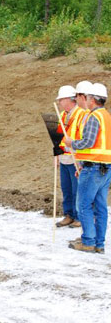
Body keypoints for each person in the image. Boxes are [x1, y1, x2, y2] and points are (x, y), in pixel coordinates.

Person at [64, 83, 111, 254]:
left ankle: (88, 241)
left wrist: (71, 143)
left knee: (83, 205)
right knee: (100, 207)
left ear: (92, 99)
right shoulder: (106, 116)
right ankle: (99, 243)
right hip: (105, 167)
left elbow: (88, 142)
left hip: (93, 168)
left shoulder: (94, 117)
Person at [55, 85, 86, 228]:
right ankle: (69, 214)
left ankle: (79, 216)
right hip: (64, 158)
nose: (60, 103)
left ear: (69, 99)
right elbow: (57, 139)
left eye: (61, 99)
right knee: (66, 189)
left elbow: (84, 138)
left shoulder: (81, 114)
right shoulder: (62, 116)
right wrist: (56, 155)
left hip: (76, 159)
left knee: (77, 190)